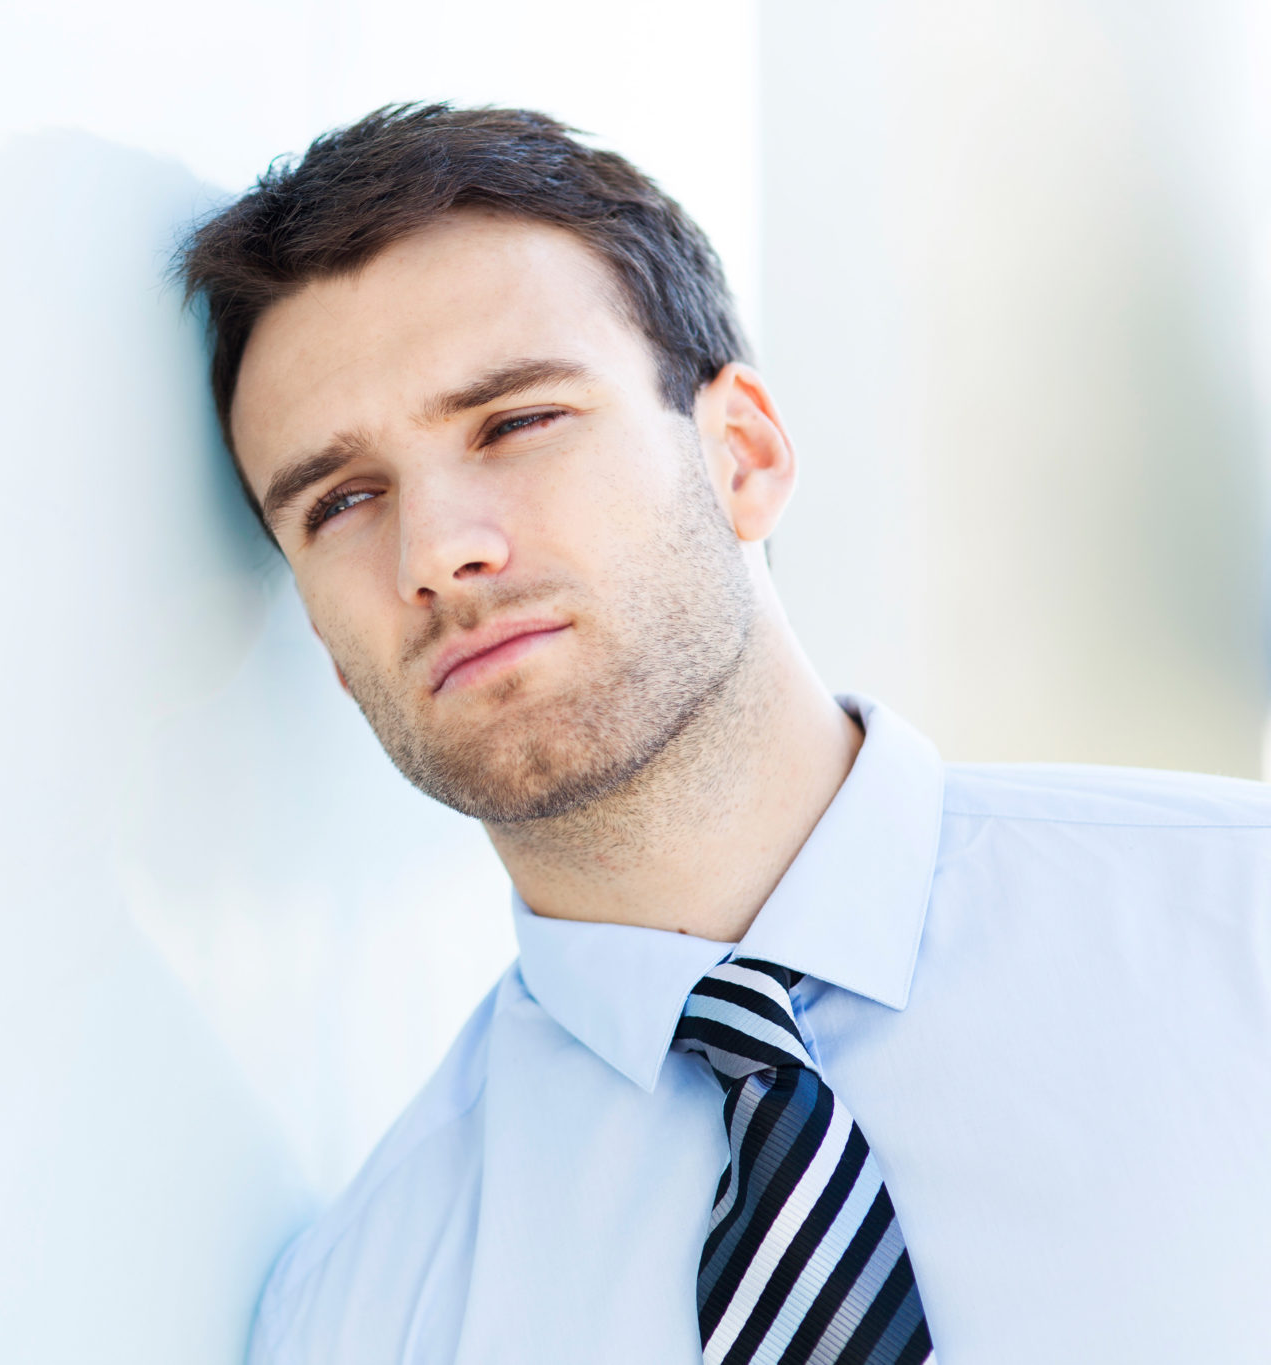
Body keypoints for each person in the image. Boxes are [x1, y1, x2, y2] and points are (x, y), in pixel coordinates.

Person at [175, 103, 1271, 1365]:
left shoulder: (1238, 927)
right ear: (318, 634)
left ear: (741, 452)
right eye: (343, 501)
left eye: (515, 422)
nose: (436, 552)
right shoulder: (361, 1318)